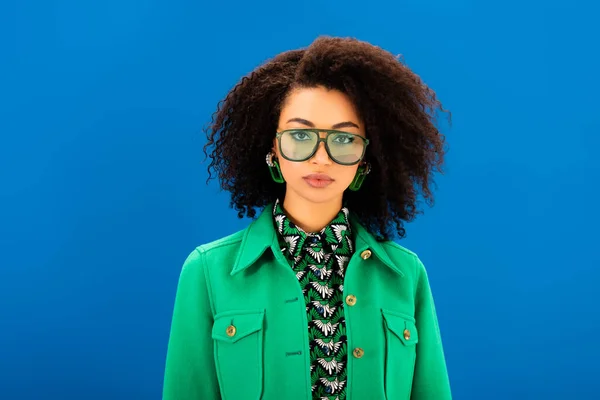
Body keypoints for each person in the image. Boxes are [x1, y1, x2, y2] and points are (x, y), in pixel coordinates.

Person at [162, 36, 452, 400]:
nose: (321, 157)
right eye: (300, 135)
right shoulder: (207, 272)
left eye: (344, 139)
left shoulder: (406, 276)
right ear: (272, 148)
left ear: (366, 158)